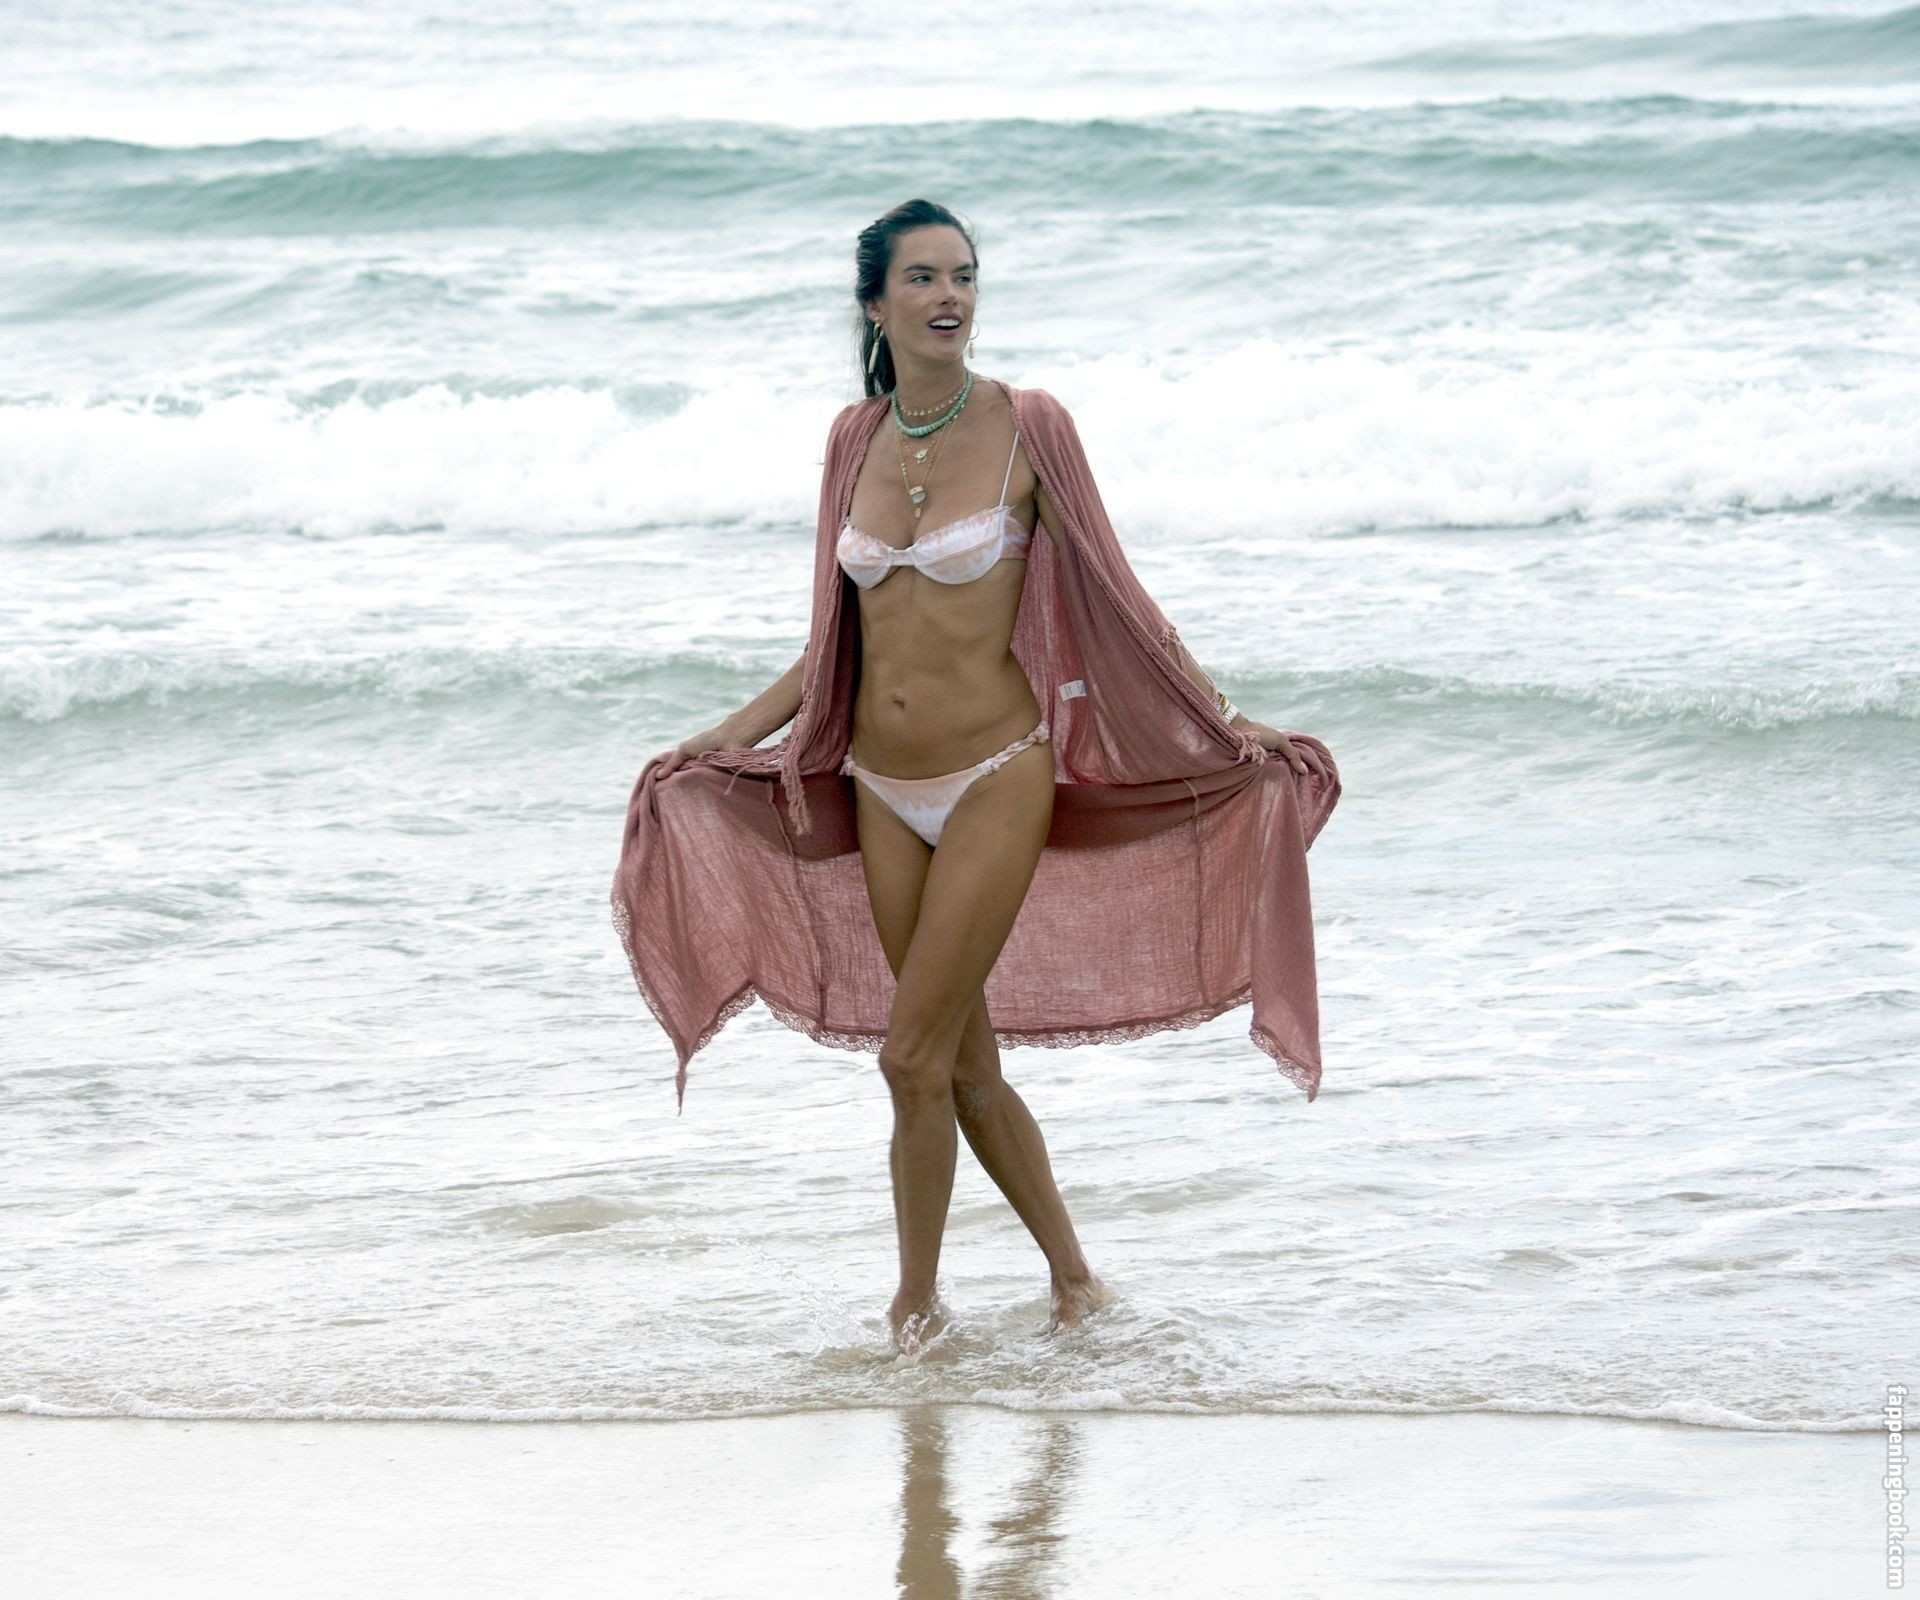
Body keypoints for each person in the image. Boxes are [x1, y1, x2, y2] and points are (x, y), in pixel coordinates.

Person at [648, 199, 1333, 1354]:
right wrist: (723, 737)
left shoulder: (1030, 426)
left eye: (963, 275)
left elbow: (1120, 595)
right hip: (879, 787)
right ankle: (1076, 1281)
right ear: (876, 303)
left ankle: (914, 1311)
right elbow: (831, 639)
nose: (949, 296)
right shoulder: (853, 439)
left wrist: (1224, 718)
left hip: (996, 775)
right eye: (922, 277)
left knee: (908, 1053)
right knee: (959, 1066)